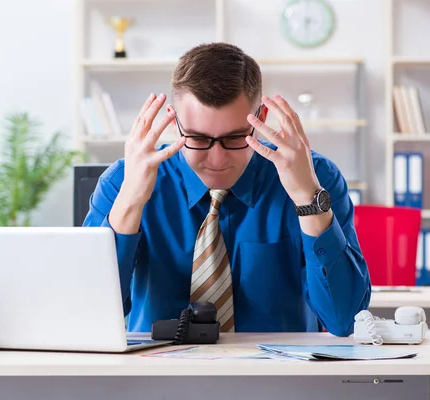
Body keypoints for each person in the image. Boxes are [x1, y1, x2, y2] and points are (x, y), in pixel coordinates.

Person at [82, 42, 371, 336]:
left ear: (261, 118)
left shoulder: (315, 177)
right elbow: (87, 316)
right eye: (197, 137)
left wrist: (308, 201)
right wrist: (130, 200)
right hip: (155, 376)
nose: (217, 159)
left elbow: (344, 320)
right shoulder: (122, 181)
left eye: (235, 138)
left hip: (280, 376)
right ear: (173, 120)